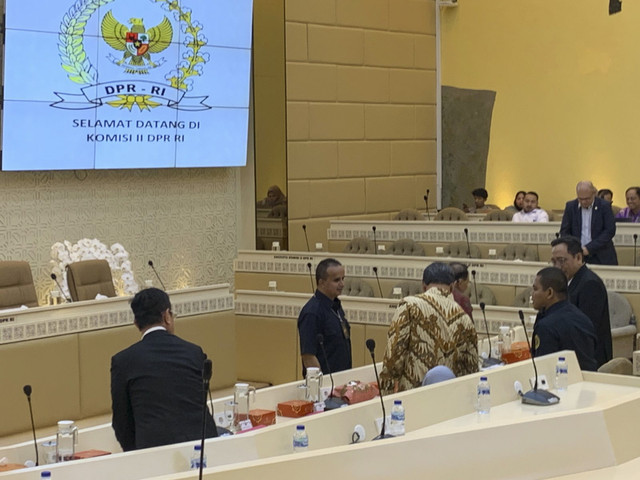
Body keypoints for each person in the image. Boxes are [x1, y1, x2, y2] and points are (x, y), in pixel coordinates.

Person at [111, 288, 218, 452]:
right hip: (204, 449)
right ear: (167, 316)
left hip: (152, 453)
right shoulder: (194, 352)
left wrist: (138, 454)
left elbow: (121, 423)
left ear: (136, 323)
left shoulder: (123, 361)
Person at [379, 263, 478, 394]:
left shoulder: (409, 306)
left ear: (423, 285)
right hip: (449, 398)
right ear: (452, 286)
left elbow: (394, 356)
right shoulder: (464, 318)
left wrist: (386, 393)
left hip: (413, 398)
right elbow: (471, 369)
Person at [550, 236, 612, 367]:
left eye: (561, 261)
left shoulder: (590, 284)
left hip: (590, 359)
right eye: (553, 261)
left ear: (578, 257)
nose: (556, 267)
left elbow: (586, 329)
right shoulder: (568, 282)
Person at [530, 267, 598, 371]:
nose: (532, 294)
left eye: (535, 289)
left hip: (563, 383)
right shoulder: (583, 318)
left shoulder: (546, 326)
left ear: (549, 293)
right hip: (589, 382)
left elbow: (541, 370)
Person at [297, 258, 352, 376]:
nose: (342, 284)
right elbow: (308, 356)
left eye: (343, 279)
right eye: (336, 280)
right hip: (326, 386)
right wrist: (322, 385)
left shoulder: (336, 307)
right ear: (321, 283)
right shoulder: (312, 313)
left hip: (342, 380)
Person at [560, 180, 617, 265]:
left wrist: (589, 248)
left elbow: (609, 231)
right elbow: (565, 231)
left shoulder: (604, 206)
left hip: (602, 255)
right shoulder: (571, 206)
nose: (583, 202)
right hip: (578, 256)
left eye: (587, 199)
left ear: (594, 194)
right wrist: (575, 249)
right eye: (580, 199)